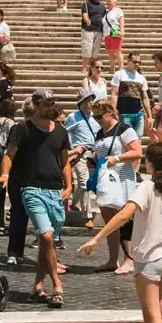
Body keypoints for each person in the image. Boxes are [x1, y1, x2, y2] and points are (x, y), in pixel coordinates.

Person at [78, 143, 162, 323]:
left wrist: (96, 239)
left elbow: (123, 215)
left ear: (149, 163)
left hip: (150, 257)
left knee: (152, 315)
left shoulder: (147, 187)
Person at [0, 89, 72, 307]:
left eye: (52, 103)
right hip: (31, 189)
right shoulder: (22, 129)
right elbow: (9, 155)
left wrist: (69, 185)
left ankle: (38, 287)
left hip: (55, 191)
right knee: (46, 237)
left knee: (47, 243)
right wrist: (4, 175)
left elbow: (65, 162)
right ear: (36, 105)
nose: (50, 107)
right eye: (47, 104)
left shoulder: (61, 132)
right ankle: (57, 285)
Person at [88, 97, 143, 274]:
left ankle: (129, 260)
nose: (97, 120)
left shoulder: (124, 129)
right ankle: (113, 260)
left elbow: (138, 152)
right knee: (109, 219)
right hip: (105, 180)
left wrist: (117, 158)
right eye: (94, 117)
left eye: (99, 116)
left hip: (123, 179)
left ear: (110, 113)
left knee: (124, 219)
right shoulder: (100, 133)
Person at [65, 91, 100, 229]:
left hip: (94, 153)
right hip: (80, 153)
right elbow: (66, 133)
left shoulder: (95, 117)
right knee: (84, 183)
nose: (90, 103)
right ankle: (87, 216)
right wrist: (71, 151)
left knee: (85, 183)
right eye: (87, 100)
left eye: (91, 100)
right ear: (81, 103)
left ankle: (74, 203)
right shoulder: (73, 117)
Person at [112, 52, 153, 137]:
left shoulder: (141, 78)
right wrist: (113, 110)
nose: (137, 64)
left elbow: (145, 97)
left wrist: (149, 116)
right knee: (127, 139)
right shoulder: (119, 74)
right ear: (128, 60)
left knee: (138, 139)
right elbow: (114, 94)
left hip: (139, 114)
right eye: (134, 62)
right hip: (124, 113)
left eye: (139, 62)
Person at [82, 0, 107, 66]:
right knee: (87, 48)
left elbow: (104, 17)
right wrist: (87, 20)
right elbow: (85, 14)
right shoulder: (86, 3)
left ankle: (91, 67)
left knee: (95, 50)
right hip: (88, 29)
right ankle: (84, 67)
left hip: (99, 29)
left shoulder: (102, 5)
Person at [103, 0, 125, 73]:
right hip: (107, 34)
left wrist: (122, 30)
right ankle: (112, 69)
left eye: (110, 1)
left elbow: (121, 20)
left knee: (117, 51)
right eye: (107, 1)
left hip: (115, 31)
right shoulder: (106, 12)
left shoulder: (117, 10)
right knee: (110, 52)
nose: (108, 3)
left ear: (115, 3)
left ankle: (121, 68)